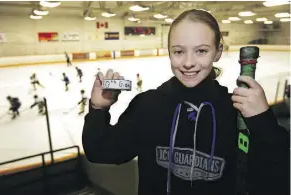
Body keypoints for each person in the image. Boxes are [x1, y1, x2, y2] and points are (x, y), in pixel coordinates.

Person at [82, 9, 290, 195]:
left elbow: (278, 179)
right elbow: (99, 151)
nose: (188, 63)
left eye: (201, 50)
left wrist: (264, 122)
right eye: (179, 51)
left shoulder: (237, 112)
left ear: (218, 52)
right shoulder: (147, 105)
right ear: (169, 52)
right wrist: (98, 109)